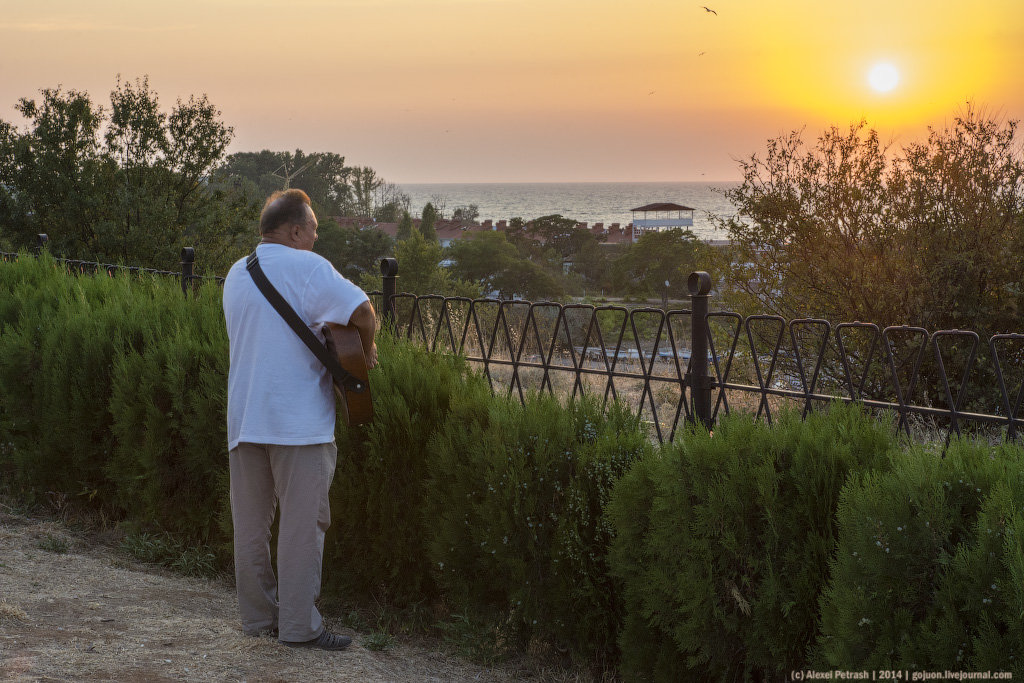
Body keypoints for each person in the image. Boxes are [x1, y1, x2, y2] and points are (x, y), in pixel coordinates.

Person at [222, 189, 378, 651]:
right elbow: (363, 311)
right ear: (294, 230)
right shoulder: (309, 267)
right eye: (312, 228)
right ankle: (298, 628)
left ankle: (257, 620)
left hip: (245, 418)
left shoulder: (236, 272)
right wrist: (365, 350)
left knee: (250, 526)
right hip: (300, 425)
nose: (316, 235)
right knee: (301, 525)